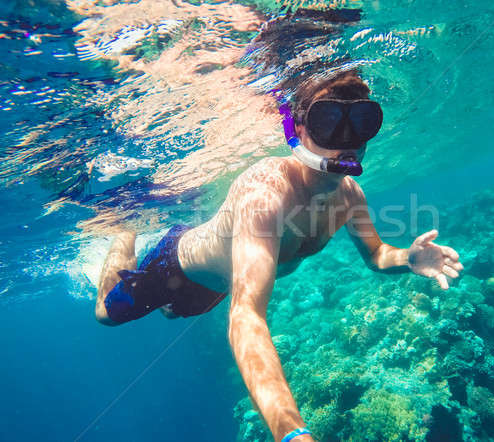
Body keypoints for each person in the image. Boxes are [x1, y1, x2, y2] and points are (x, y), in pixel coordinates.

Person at [94, 70, 463, 442]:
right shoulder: (264, 196)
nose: (345, 143)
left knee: (174, 313)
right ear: (298, 129)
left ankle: (168, 298)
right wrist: (291, 433)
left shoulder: (350, 197)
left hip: (215, 288)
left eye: (362, 122)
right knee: (105, 316)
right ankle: (125, 228)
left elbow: (377, 254)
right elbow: (246, 315)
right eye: (328, 122)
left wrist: (408, 259)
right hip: (174, 265)